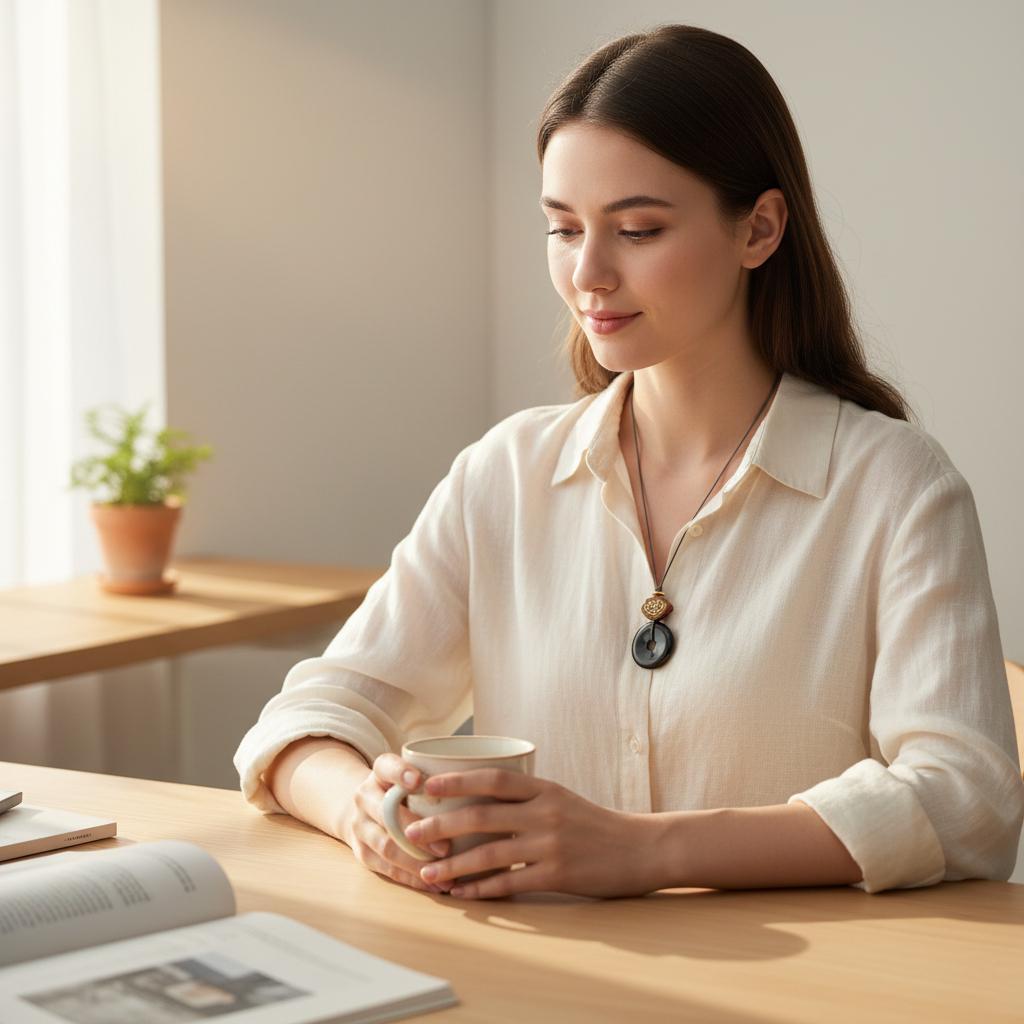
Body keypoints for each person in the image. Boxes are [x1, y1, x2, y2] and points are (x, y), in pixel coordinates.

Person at [233, 24, 1023, 901]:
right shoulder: (506, 475)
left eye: (638, 230)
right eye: (563, 229)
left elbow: (968, 801)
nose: (589, 275)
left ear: (759, 229)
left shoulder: (895, 486)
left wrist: (645, 851)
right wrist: (362, 816)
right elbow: (308, 721)